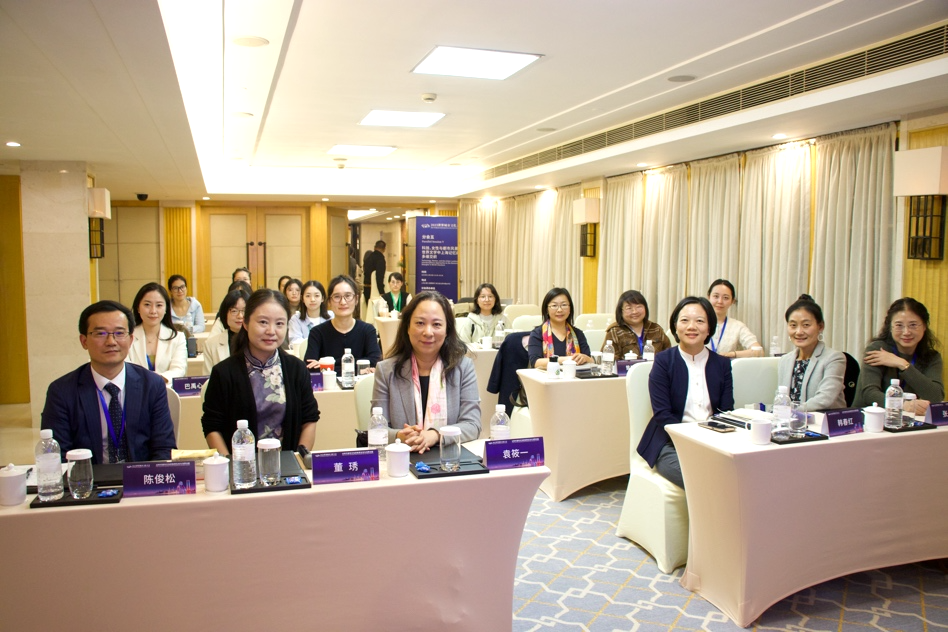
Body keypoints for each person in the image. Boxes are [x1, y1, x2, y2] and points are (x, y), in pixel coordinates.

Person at [40, 300, 176, 464]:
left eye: (119, 333)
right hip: (88, 477)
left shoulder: (152, 385)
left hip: (141, 477)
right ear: (84, 341)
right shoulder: (62, 391)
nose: (111, 341)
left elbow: (164, 449)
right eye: (100, 334)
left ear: (130, 340)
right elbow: (58, 456)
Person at [201, 289, 319, 454]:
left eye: (279, 323)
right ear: (246, 323)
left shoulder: (296, 369)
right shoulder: (224, 373)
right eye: (263, 322)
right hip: (240, 466)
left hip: (288, 463)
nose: (271, 331)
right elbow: (212, 427)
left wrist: (298, 458)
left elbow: (309, 419)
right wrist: (230, 463)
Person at [637, 297, 733, 489]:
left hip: (713, 441)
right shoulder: (663, 361)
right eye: (685, 320)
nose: (691, 327)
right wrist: (691, 441)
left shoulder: (722, 364)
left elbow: (726, 411)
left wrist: (711, 442)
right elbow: (662, 414)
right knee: (699, 477)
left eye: (700, 321)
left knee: (740, 472)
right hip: (670, 442)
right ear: (675, 326)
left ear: (709, 328)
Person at [371, 291, 481, 451]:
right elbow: (376, 428)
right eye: (420, 323)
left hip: (448, 459)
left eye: (436, 324)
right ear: (407, 327)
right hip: (401, 457)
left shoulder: (463, 368)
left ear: (447, 330)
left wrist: (436, 435)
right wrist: (400, 436)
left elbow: (472, 425)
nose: (428, 332)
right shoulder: (386, 370)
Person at [854, 297, 943, 412]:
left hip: (909, 419)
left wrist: (902, 364)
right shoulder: (878, 349)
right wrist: (902, 405)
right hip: (868, 418)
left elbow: (936, 396)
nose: (906, 332)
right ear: (890, 328)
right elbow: (869, 394)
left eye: (913, 325)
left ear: (924, 326)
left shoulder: (931, 357)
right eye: (899, 325)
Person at [776, 294, 846, 411]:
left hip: (822, 421)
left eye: (806, 325)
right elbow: (781, 397)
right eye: (793, 325)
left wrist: (789, 412)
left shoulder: (834, 358)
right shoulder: (785, 360)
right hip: (790, 420)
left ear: (820, 326)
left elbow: (824, 399)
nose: (799, 332)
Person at [304, 275, 382, 372]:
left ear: (356, 299)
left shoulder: (367, 330)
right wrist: (359, 367)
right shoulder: (317, 333)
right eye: (337, 297)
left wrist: (327, 364)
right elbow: (310, 367)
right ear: (329, 301)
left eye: (348, 296)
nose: (343, 302)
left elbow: (375, 361)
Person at [127, 282, 187, 382]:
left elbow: (178, 370)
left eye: (159, 305)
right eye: (147, 305)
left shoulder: (177, 337)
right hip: (135, 389)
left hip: (166, 389)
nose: (153, 311)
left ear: (166, 308)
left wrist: (155, 382)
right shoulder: (127, 337)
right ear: (138, 307)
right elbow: (125, 370)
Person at [527, 288, 592, 369]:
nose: (560, 310)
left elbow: (590, 360)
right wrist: (566, 360)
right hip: (546, 376)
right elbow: (535, 362)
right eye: (554, 306)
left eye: (564, 305)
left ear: (570, 309)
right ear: (546, 309)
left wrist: (585, 358)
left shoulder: (578, 334)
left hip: (574, 376)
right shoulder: (537, 334)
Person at [602, 290, 671, 357]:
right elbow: (608, 360)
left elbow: (669, 355)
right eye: (629, 308)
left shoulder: (656, 329)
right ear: (621, 311)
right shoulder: (614, 332)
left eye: (639, 307)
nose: (635, 311)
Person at [706, 279, 764, 358]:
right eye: (716, 296)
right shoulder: (697, 323)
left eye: (725, 298)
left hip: (726, 365)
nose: (720, 301)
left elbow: (759, 351)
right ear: (708, 297)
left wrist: (731, 354)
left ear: (732, 301)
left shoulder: (738, 326)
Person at [203, 289, 248, 374]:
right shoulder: (211, 344)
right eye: (234, 311)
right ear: (225, 313)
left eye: (244, 311)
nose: (240, 316)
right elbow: (208, 378)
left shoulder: (259, 342)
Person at [288, 280, 332, 345]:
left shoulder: (332, 317)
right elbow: (295, 343)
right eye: (308, 296)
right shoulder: (296, 320)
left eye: (316, 296)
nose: (312, 299)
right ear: (302, 299)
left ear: (322, 298)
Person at [363, 240, 386, 309]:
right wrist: (381, 291)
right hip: (374, 289)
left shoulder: (368, 257)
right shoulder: (380, 259)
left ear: (374, 247)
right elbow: (379, 276)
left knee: (369, 310)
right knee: (376, 311)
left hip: (366, 287)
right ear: (384, 249)